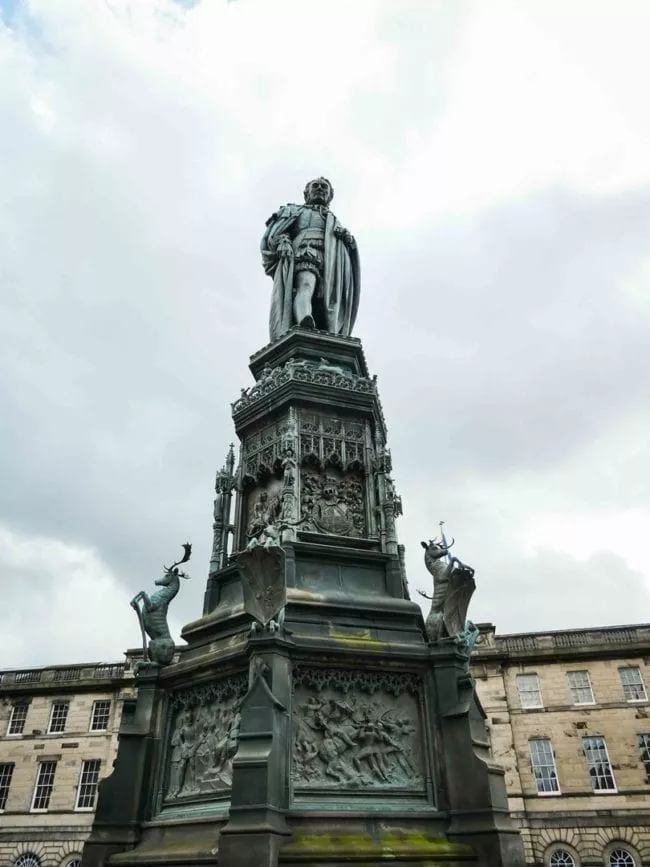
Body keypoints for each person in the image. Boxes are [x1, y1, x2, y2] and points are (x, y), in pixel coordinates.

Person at [261, 178, 360, 341]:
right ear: (306, 192)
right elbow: (276, 232)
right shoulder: (293, 211)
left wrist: (348, 240)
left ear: (330, 196)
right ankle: (304, 320)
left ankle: (329, 334)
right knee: (306, 284)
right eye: (315, 186)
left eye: (324, 187)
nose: (320, 189)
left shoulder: (332, 219)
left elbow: (347, 246)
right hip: (306, 250)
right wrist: (282, 241)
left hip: (332, 261)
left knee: (327, 301)